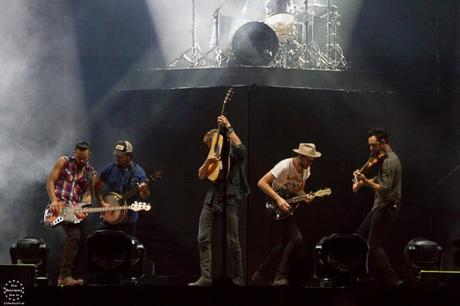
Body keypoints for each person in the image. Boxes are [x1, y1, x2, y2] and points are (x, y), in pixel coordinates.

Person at [188, 115, 250, 287]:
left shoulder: (233, 155)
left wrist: (229, 127)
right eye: (209, 147)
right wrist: (209, 159)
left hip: (229, 198)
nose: (211, 148)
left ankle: (239, 278)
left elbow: (242, 151)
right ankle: (206, 277)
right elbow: (201, 175)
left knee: (233, 241)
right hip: (212, 198)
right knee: (203, 237)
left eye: (212, 145)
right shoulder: (212, 156)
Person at [251, 143, 321, 286]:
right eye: (309, 159)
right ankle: (280, 276)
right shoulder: (284, 166)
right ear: (300, 157)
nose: (311, 163)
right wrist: (278, 198)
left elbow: (299, 190)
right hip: (275, 204)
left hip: (287, 207)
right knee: (296, 238)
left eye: (312, 160)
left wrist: (306, 197)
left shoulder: (306, 170)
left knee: (284, 243)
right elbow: (261, 183)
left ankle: (259, 275)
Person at [352, 128, 402, 287]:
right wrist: (361, 182)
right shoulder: (383, 159)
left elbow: (385, 188)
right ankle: (362, 274)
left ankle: (393, 280)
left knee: (373, 245)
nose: (371, 149)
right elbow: (380, 179)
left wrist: (365, 181)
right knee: (359, 237)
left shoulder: (390, 161)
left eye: (373, 145)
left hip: (387, 207)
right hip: (380, 205)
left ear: (383, 143)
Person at [46, 141, 96, 286]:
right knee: (75, 235)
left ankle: (75, 276)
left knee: (86, 236)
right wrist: (54, 201)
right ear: (75, 152)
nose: (81, 160)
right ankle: (63, 276)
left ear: (89, 155)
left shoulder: (90, 173)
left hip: (73, 210)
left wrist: (83, 207)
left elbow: (88, 196)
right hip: (59, 207)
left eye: (84, 158)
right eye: (79, 157)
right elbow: (50, 182)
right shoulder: (64, 162)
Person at [95, 140, 150, 236]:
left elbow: (144, 196)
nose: (118, 157)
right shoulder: (110, 169)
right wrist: (102, 203)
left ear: (129, 156)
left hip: (128, 220)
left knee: (124, 247)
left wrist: (144, 190)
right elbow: (97, 187)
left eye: (121, 155)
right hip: (110, 216)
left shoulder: (139, 172)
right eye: (117, 155)